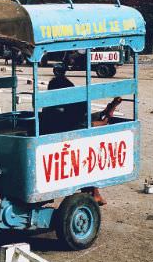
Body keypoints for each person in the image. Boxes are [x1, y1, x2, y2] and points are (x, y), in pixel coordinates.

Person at [42, 64, 121, 206]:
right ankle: (95, 193)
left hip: (57, 141)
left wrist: (108, 110)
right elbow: (83, 124)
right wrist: (107, 116)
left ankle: (94, 192)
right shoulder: (64, 112)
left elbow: (82, 120)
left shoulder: (51, 108)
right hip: (62, 148)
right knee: (90, 157)